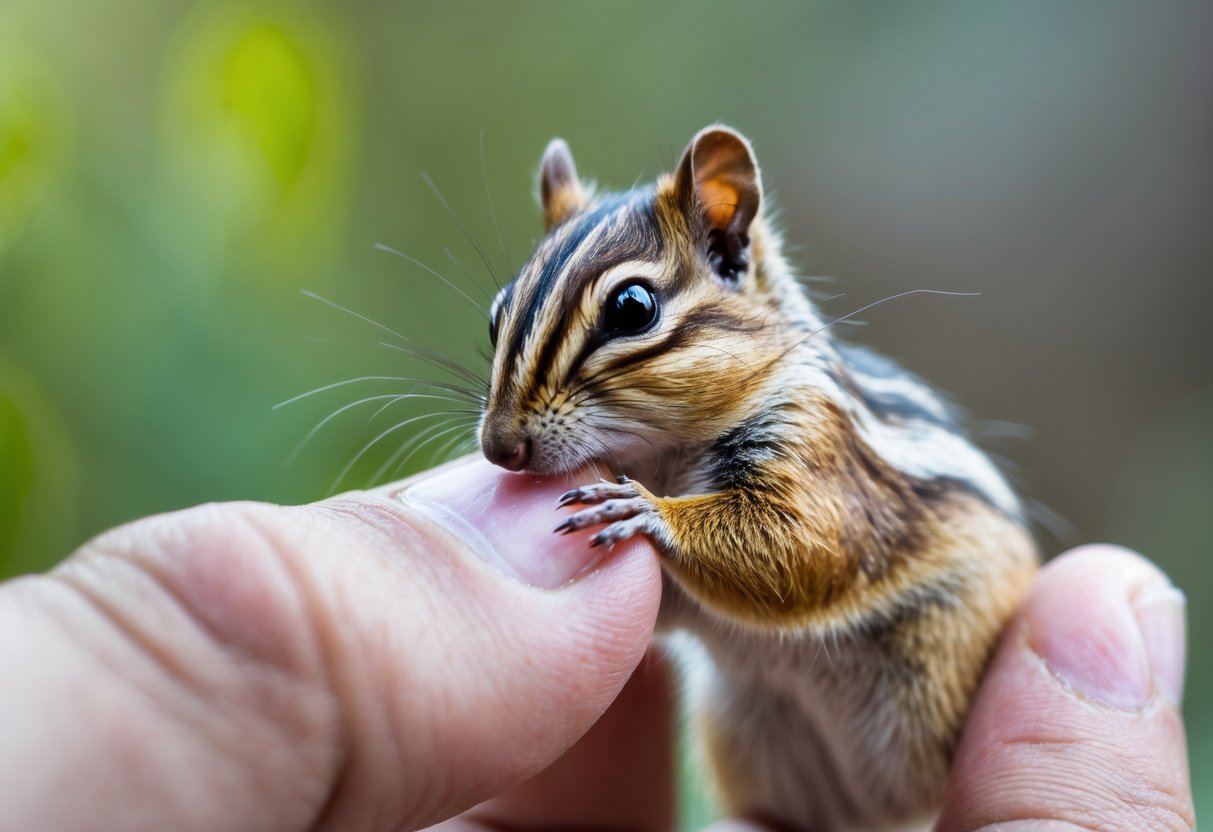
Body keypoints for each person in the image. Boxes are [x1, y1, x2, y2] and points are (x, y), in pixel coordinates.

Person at [0, 457, 1193, 831]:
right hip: (771, 742)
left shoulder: (789, 432)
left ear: (732, 249)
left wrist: (667, 528)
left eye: (627, 318)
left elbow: (809, 561)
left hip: (911, 660)